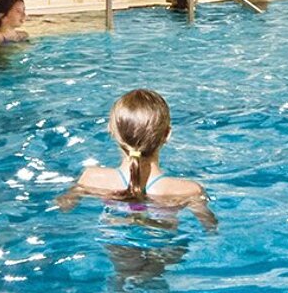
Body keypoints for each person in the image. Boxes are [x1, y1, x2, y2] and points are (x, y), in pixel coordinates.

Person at [57, 89, 216, 231]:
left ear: (111, 131)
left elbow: (63, 207)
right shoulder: (188, 190)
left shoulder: (92, 178)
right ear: (167, 134)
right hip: (163, 245)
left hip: (116, 240)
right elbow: (211, 227)